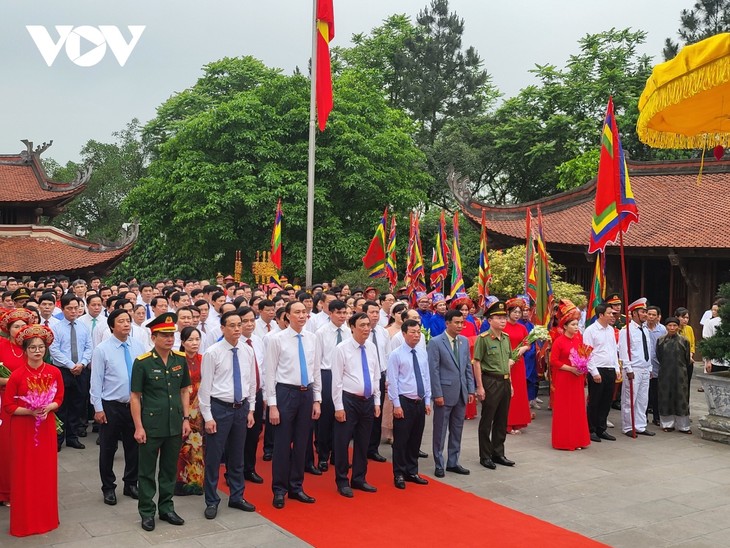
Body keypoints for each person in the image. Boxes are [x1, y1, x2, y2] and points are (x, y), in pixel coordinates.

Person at [130, 313, 191, 532]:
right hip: (151, 425)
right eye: (164, 335)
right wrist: (138, 426)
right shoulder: (142, 362)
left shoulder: (179, 359)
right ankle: (147, 512)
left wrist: (186, 418)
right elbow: (135, 396)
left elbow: (185, 390)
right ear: (153, 336)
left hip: (175, 423)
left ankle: (166, 508)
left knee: (168, 470)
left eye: (171, 335)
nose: (169, 339)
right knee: (146, 471)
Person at [3, 324, 63, 537]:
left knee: (45, 472)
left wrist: (49, 407)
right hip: (24, 428)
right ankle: (25, 522)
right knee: (24, 473)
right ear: (25, 350)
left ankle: (47, 518)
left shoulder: (54, 372)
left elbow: (59, 398)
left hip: (45, 426)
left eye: (40, 347)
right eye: (33, 348)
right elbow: (8, 406)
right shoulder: (17, 376)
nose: (37, 351)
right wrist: (30, 410)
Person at [198, 311, 256, 519]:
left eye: (239, 324)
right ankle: (212, 500)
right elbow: (205, 388)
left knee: (237, 455)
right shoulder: (213, 352)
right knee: (214, 456)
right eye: (232, 325)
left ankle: (237, 496)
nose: (237, 329)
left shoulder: (247, 350)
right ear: (222, 328)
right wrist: (208, 416)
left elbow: (251, 382)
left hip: (241, 408)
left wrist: (251, 409)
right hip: (219, 408)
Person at [265, 301, 322, 509]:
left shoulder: (313, 339)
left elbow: (315, 370)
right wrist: (272, 404)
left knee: (302, 442)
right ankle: (279, 489)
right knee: (282, 443)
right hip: (285, 393)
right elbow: (269, 373)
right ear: (287, 316)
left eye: (304, 312)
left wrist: (317, 399)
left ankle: (296, 486)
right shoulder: (276, 339)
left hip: (306, 394)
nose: (301, 315)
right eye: (296, 312)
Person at [90, 309, 146, 505]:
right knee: (108, 448)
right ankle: (108, 487)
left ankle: (131, 483)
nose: (126, 324)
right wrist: (98, 407)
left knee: (134, 446)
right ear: (112, 326)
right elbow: (96, 381)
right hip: (111, 405)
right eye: (121, 321)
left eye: (127, 321)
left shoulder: (139, 346)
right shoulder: (102, 349)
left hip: (135, 404)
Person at [331, 312, 381, 497]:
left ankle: (359, 478)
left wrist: (376, 400)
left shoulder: (371, 347)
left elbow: (375, 375)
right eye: (362, 325)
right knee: (343, 441)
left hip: (367, 401)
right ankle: (342, 480)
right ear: (352, 327)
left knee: (363, 441)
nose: (367, 328)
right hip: (348, 400)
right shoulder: (341, 348)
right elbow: (336, 380)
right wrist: (338, 406)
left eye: (368, 325)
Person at [428, 309, 475, 477]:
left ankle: (453, 462)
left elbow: (467, 368)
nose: (460, 326)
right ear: (447, 323)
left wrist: (471, 389)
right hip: (444, 393)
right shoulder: (436, 342)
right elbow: (433, 370)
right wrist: (437, 394)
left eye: (462, 322)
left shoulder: (463, 341)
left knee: (457, 429)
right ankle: (439, 463)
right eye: (457, 322)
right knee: (440, 431)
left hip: (461, 392)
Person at [388, 319, 431, 489]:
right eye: (412, 332)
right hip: (404, 401)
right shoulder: (396, 354)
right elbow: (392, 380)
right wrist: (396, 405)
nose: (416, 335)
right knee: (401, 440)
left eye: (418, 332)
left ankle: (412, 471)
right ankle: (398, 473)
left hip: (419, 401)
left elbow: (426, 377)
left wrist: (427, 400)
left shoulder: (422, 352)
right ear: (404, 334)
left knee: (415, 438)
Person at [473, 301, 516, 470]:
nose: (503, 320)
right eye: (499, 317)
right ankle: (485, 455)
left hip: (504, 381)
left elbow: (508, 361)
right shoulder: (483, 339)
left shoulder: (506, 339)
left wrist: (510, 382)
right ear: (490, 320)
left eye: (504, 317)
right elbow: (476, 363)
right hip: (490, 381)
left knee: (501, 419)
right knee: (487, 420)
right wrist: (480, 387)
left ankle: (498, 453)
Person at [0, 308, 36, 506]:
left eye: (24, 325)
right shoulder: (2, 345)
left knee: (26, 448)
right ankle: (6, 491)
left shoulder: (32, 347)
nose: (21, 329)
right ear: (8, 329)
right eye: (17, 326)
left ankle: (25, 487)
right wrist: (10, 380)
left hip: (29, 402)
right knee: (6, 447)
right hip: (6, 402)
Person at [50, 294, 93, 451]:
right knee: (61, 405)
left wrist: (82, 363)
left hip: (81, 370)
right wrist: (70, 365)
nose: (73, 311)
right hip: (63, 370)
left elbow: (89, 347)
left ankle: (72, 437)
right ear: (63, 309)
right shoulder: (56, 328)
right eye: (70, 308)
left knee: (78, 404)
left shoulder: (83, 327)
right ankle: (58, 439)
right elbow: (54, 350)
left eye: (76, 308)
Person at [549, 301, 590, 451]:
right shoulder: (559, 341)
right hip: (564, 377)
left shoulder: (579, 340)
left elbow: (582, 356)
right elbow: (553, 361)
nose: (576, 327)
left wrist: (582, 367)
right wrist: (570, 369)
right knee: (565, 409)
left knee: (577, 408)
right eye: (573, 324)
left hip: (577, 378)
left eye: (577, 324)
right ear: (565, 326)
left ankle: (578, 439)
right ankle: (565, 441)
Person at [315, 299, 351, 471]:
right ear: (330, 313)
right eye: (339, 313)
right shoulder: (321, 332)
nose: (342, 316)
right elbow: (317, 359)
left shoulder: (348, 331)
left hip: (345, 376)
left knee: (343, 416)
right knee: (326, 418)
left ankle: (339, 455)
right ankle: (323, 455)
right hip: (327, 375)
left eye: (344, 313)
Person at [583, 304, 620, 443]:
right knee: (595, 401)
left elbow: (613, 351)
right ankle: (591, 429)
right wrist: (593, 371)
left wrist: (616, 368)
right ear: (601, 315)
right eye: (610, 313)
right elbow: (587, 353)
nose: (613, 315)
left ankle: (601, 428)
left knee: (606, 401)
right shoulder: (590, 331)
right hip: (597, 369)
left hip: (610, 368)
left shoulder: (611, 330)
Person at [175, 326, 205, 496]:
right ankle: (180, 483)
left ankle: (197, 482)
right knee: (182, 447)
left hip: (201, 409)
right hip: (183, 408)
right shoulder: (177, 360)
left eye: (197, 339)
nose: (194, 343)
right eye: (190, 340)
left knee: (199, 447)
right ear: (182, 342)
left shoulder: (204, 358)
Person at [619, 298, 656, 437]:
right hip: (633, 368)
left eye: (646, 312)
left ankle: (640, 425)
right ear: (634, 313)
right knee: (630, 399)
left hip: (645, 368)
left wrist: (650, 367)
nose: (645, 314)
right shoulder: (626, 330)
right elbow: (624, 351)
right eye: (642, 312)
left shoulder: (645, 330)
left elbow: (648, 349)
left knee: (642, 399)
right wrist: (628, 369)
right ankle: (628, 426)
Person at [239, 306, 266, 485]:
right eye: (245, 321)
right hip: (239, 397)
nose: (249, 324)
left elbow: (263, 368)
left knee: (254, 434)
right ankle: (235, 471)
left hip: (256, 393)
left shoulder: (258, 340)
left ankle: (249, 468)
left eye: (252, 320)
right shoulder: (234, 343)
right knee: (238, 436)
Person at [363, 300, 391, 462]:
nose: (374, 315)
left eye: (376, 312)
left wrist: (387, 377)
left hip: (379, 376)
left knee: (376, 412)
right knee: (363, 414)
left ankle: (373, 448)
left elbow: (386, 356)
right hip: (363, 377)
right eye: (372, 312)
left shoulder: (383, 332)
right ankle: (361, 446)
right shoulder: (357, 333)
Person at [656, 317, 692, 434]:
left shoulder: (684, 341)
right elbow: (659, 356)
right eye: (670, 326)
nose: (672, 328)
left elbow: (687, 359)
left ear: (678, 327)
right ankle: (667, 424)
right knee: (665, 397)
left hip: (681, 374)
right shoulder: (661, 340)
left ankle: (684, 426)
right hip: (665, 373)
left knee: (681, 398)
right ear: (666, 327)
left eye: (674, 326)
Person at [503, 298, 532, 434]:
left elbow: (528, 342)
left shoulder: (522, 327)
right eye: (514, 312)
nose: (517, 314)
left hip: (519, 363)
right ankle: (507, 423)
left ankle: (518, 421)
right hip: (506, 362)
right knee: (508, 392)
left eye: (519, 312)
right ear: (508, 312)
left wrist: (524, 349)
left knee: (519, 392)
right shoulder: (503, 326)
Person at [644, 306, 667, 427]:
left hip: (658, 365)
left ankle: (657, 417)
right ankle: (644, 417)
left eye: (654, 315)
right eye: (649, 314)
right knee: (645, 394)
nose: (651, 317)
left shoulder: (663, 329)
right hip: (645, 365)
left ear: (658, 317)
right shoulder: (642, 328)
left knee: (657, 393)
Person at [675, 307, 696, 384]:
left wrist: (690, 355)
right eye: (683, 317)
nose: (685, 320)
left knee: (687, 383)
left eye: (687, 318)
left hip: (688, 360)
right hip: (677, 361)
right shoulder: (673, 329)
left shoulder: (689, 329)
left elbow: (692, 344)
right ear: (677, 317)